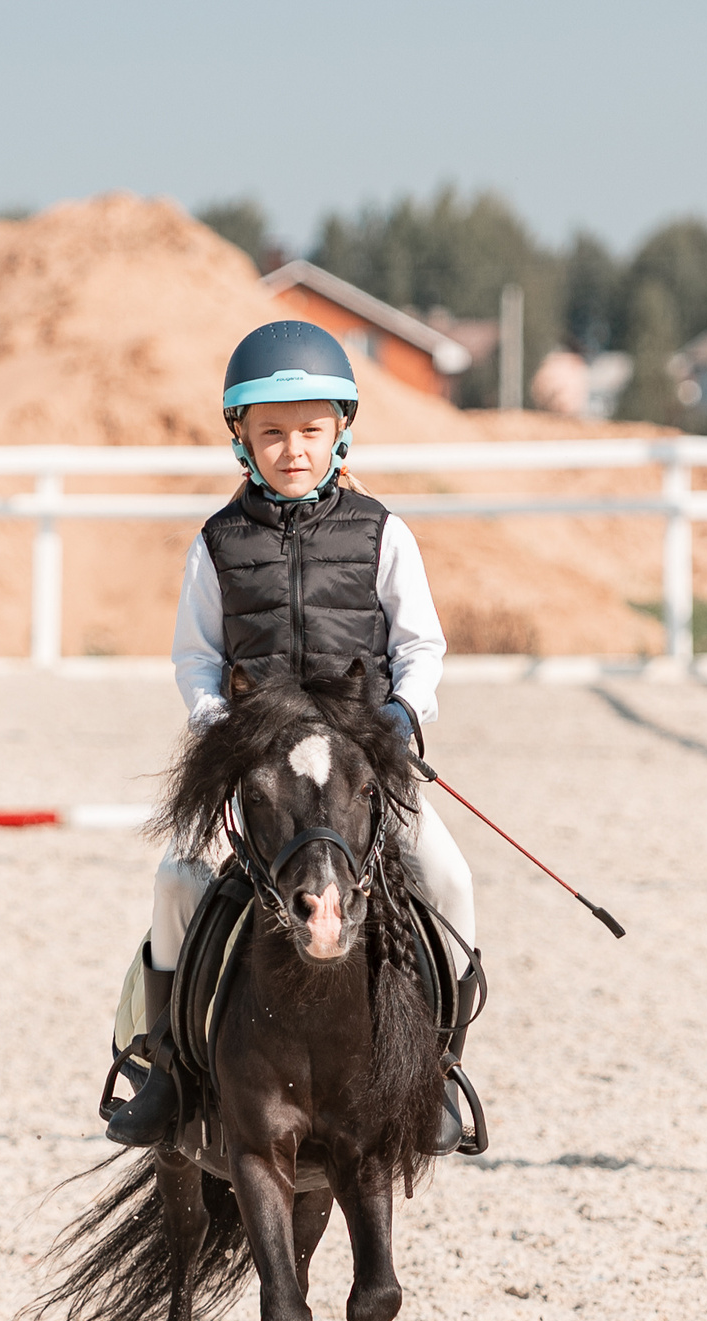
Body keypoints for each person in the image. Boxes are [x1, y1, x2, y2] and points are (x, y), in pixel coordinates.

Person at [106, 319, 479, 1152]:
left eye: (311, 431)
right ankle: (166, 1070)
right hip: (263, 773)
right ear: (240, 438)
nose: (293, 449)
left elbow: (421, 645)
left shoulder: (384, 532)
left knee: (448, 877)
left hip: (362, 765)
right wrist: (223, 735)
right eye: (271, 434)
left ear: (341, 431)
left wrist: (402, 717)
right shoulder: (218, 543)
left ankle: (441, 1074)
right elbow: (197, 659)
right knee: (176, 880)